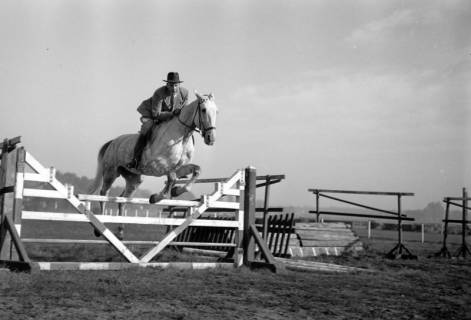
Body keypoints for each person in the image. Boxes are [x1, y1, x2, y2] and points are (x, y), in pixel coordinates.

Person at [127, 72, 189, 169]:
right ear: (167, 84)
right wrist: (173, 114)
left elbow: (184, 111)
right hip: (150, 114)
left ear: (179, 85)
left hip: (170, 117)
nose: (174, 88)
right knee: (147, 129)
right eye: (171, 85)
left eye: (176, 85)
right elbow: (156, 114)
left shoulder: (185, 93)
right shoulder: (159, 93)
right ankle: (135, 159)